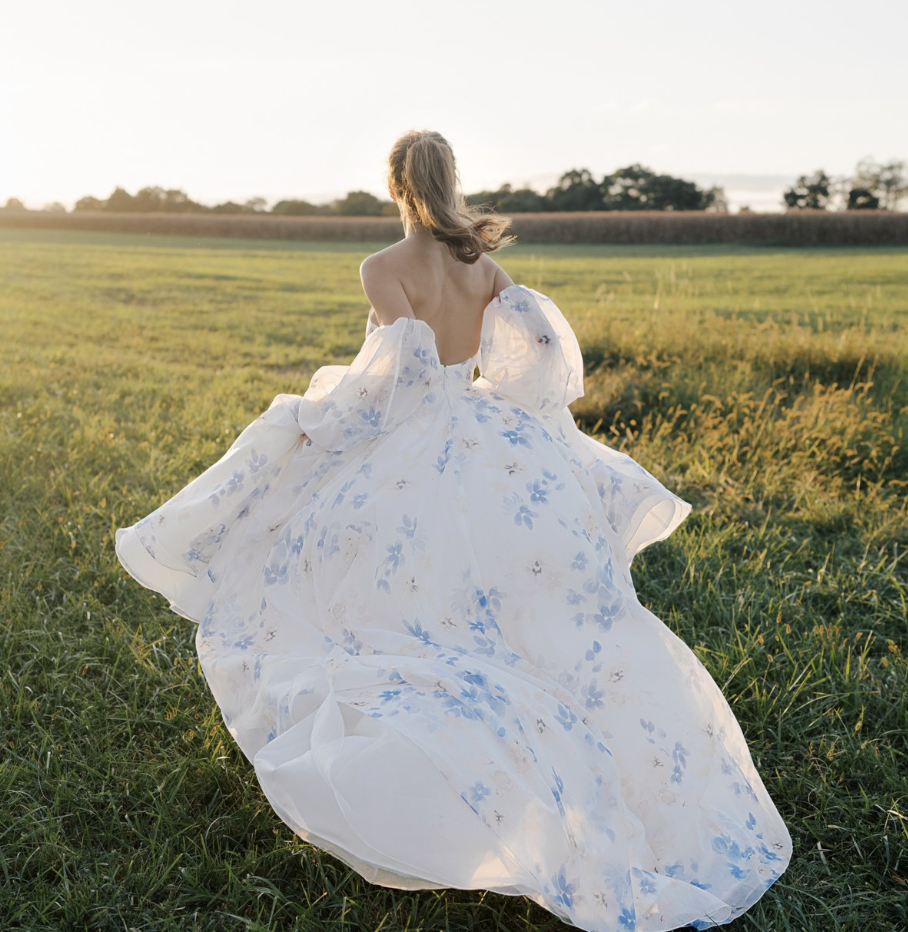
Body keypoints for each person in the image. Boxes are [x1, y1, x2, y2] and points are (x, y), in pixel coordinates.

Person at [115, 129, 792, 932]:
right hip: (488, 434)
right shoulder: (483, 264)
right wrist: (504, 406)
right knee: (517, 608)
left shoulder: (381, 269)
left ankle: (462, 768)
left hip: (417, 439)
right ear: (449, 180)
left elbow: (392, 385)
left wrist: (313, 419)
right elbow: (537, 354)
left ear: (396, 184)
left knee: (372, 595)